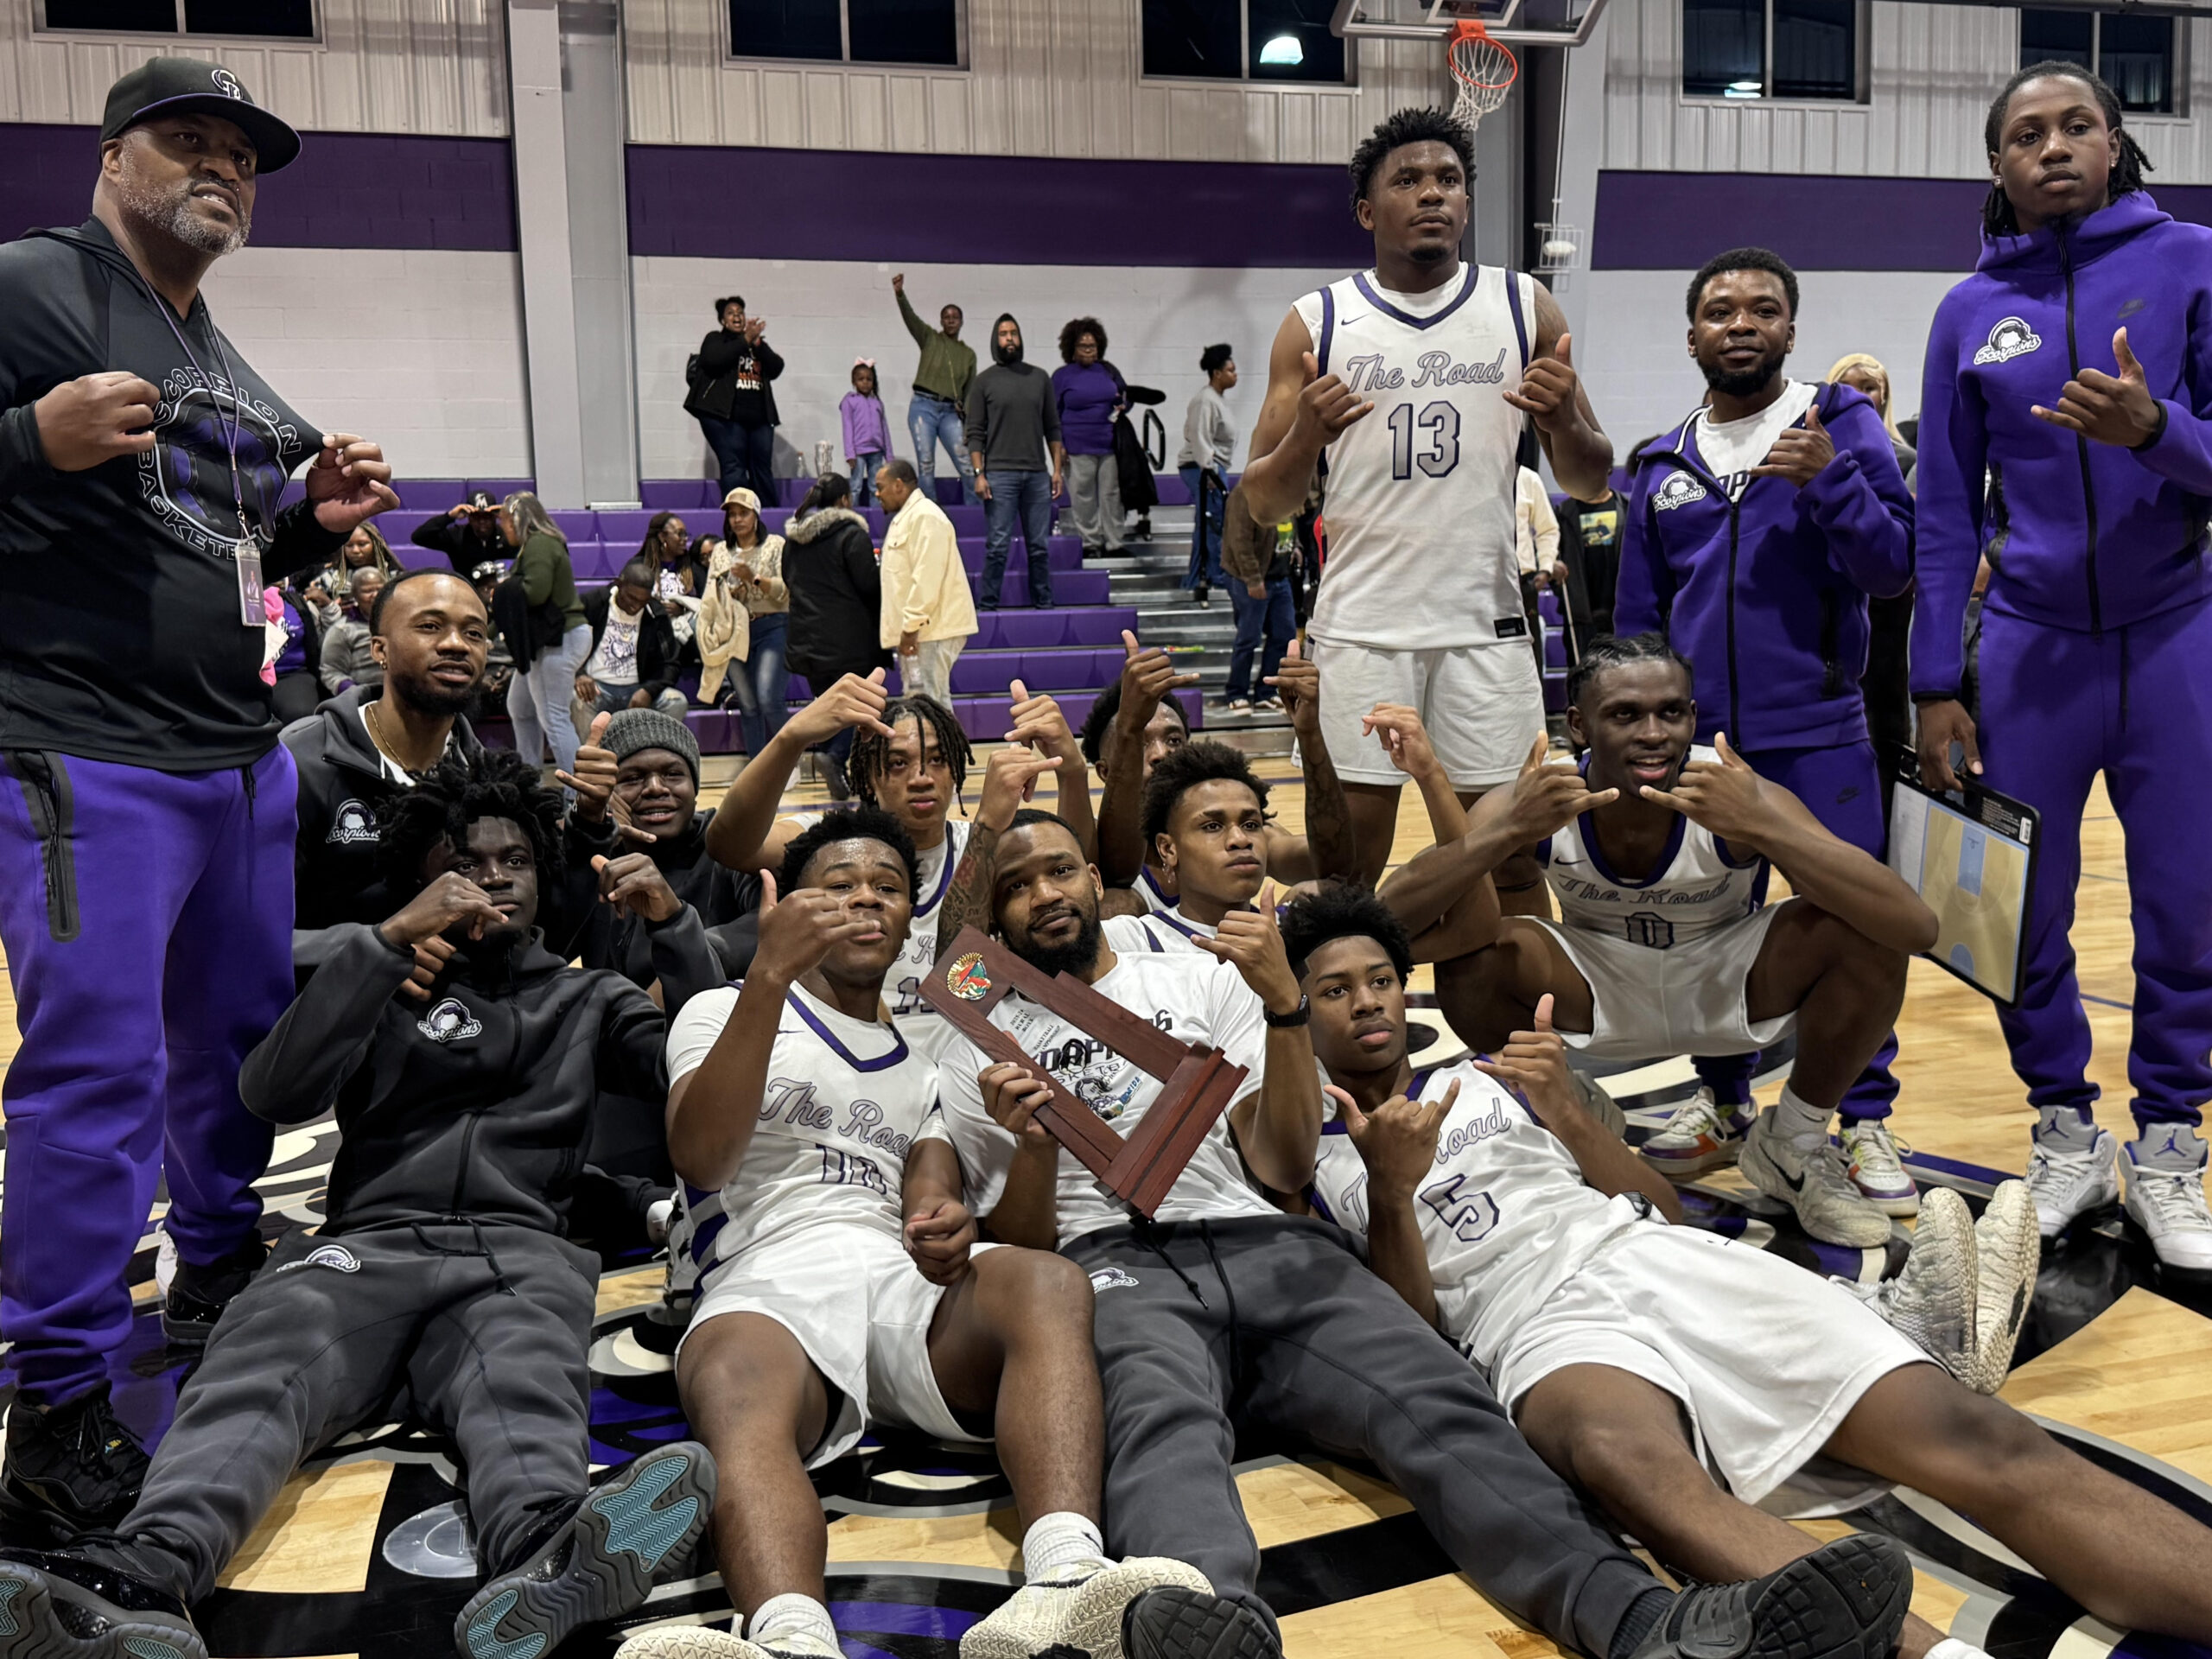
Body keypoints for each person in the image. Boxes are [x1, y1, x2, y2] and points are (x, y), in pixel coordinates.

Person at [932, 809, 1915, 1659]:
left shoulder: (1204, 980)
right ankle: (1205, 1620)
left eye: (1058, 868)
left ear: (1094, 880)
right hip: (1112, 1261)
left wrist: (1281, 1010)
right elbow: (1017, 1239)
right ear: (992, 916)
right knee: (1158, 1425)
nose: (1044, 893)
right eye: (1015, 886)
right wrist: (1032, 1147)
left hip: (1265, 1239)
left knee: (1439, 1398)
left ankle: (1639, 1623)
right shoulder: (970, 1037)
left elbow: (1278, 1167)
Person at [1285, 881, 2212, 1658]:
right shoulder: (1304, 1164)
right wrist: (1393, 1189)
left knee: (1976, 1436)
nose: (1366, 1001)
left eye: (1378, 981)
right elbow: (1410, 1338)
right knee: (1629, 1469)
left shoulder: (1490, 1079)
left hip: (1643, 1252)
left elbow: (1663, 1205)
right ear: (1294, 1014)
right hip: (1532, 1328)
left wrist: (1565, 1112)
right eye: (1333, 990)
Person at [0, 751, 721, 1659]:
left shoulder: (590, 997)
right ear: (426, 881)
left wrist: (677, 927)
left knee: (527, 1375)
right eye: (467, 862)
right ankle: (143, 1576)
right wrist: (376, 954)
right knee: (259, 1368)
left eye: (517, 860)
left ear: (546, 873)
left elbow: (702, 1080)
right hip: (364, 1248)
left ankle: (545, 1549)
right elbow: (269, 1091)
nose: (494, 876)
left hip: (517, 1249)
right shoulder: (382, 975)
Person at [0, 55, 400, 1533]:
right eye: (189, 138)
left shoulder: (215, 353)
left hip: (235, 756)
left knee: (236, 1044)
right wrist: (23, 442)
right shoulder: (28, 288)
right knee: (95, 1075)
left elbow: (210, 555)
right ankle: (52, 1409)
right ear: (111, 155)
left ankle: (217, 1275)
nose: (220, 165)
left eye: (240, 151)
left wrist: (310, 529)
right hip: (82, 747)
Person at [613, 809, 1222, 1659]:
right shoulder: (721, 1009)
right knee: (729, 1370)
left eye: (887, 888)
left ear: (910, 917)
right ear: (786, 905)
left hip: (894, 1280)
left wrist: (939, 1223)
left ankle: (1064, 1581)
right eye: (839, 887)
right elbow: (703, 1158)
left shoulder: (927, 1056)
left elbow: (929, 1184)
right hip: (765, 1277)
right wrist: (765, 977)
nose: (866, 900)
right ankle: (791, 1639)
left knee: (1046, 1280)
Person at [1914, 62, 2212, 1268]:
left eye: (2075, 126)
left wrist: (2160, 431)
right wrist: (1937, 681)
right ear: (1998, 166)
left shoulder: (2193, 261)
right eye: (2026, 134)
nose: (2052, 148)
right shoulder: (1964, 312)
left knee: (2187, 903)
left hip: (2177, 635)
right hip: (2032, 649)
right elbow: (1943, 512)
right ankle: (2062, 1130)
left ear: (2114, 143)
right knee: (2018, 909)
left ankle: (2175, 1141)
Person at [1390, 636, 1936, 1249]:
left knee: (1863, 932)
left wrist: (1760, 824)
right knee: (1478, 959)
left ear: (1694, 718)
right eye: (1625, 715)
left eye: (1671, 712)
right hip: (1599, 985)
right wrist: (1511, 829)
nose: (1653, 733)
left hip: (1728, 980)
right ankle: (1574, 1116)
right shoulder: (1541, 794)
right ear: (1579, 725)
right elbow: (1387, 925)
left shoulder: (1732, 789)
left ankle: (1795, 1143)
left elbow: (1915, 927)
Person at [1240, 107, 1613, 893]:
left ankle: (1518, 1014)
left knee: (1510, 865)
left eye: (1448, 179)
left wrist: (1566, 415)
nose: (1433, 193)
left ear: (1468, 204)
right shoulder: (1318, 322)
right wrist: (1306, 435)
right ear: (1370, 213)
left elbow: (1588, 481)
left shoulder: (1525, 307)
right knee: (1346, 872)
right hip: (1364, 629)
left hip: (1485, 626)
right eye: (1408, 180)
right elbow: (1262, 503)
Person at [1613, 249, 1916, 1211]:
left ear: (1790, 328)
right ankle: (1726, 1104)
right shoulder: (1659, 464)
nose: (1739, 322)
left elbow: (1892, 568)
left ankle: (1860, 1119)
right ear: (1692, 334)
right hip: (1701, 746)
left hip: (1819, 732)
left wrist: (1830, 481)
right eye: (1718, 310)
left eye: (1762, 309)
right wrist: (1635, 737)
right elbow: (1636, 626)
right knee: (1707, 930)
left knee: (1859, 923)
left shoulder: (1842, 426)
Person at [705, 677, 1090, 1062]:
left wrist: (1071, 769)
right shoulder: (832, 843)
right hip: (851, 1059)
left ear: (956, 770)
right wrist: (791, 738)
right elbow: (728, 845)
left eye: (937, 760)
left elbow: (1083, 872)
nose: (921, 778)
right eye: (898, 763)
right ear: (870, 775)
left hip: (970, 1062)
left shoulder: (988, 842)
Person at [285, 569, 491, 950]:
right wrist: (378, 948)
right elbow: (246, 936)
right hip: (332, 1001)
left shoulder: (489, 779)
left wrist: (589, 826)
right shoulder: (300, 763)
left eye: (474, 633)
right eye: (430, 626)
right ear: (378, 650)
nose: (456, 644)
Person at [1090, 635, 1352, 914]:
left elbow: (1333, 868)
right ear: (1105, 771)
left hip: (1239, 951)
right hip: (1150, 951)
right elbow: (1116, 870)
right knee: (1115, 905)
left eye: (1174, 740)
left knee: (1320, 895)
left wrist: (1309, 731)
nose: (1160, 754)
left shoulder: (1236, 828)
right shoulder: (1096, 843)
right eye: (1139, 744)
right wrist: (1128, 726)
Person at [783, 471, 886, 800]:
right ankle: (836, 757)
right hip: (848, 639)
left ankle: (837, 764)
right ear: (844, 500)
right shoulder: (851, 534)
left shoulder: (793, 539)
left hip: (806, 638)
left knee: (827, 704)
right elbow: (869, 584)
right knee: (860, 704)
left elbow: (787, 579)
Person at [967, 314, 1063, 611]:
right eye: (1004, 334)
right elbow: (974, 433)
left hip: (1037, 474)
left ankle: (1044, 603)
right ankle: (987, 605)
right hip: (999, 476)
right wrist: (979, 474)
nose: (1010, 338)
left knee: (1039, 547)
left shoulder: (1040, 378)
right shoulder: (983, 382)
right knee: (997, 545)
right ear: (996, 340)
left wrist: (1057, 470)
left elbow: (1053, 427)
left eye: (1014, 333)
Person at [493, 490, 591, 779]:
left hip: (559, 639)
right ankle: (530, 780)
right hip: (548, 642)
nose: (503, 529)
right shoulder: (537, 545)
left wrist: (502, 591)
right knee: (520, 707)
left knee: (555, 718)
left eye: (505, 523)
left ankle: (576, 796)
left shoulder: (539, 545)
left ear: (518, 519)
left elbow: (535, 593)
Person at [876, 457, 976, 709]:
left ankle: (946, 750)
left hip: (929, 629)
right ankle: (940, 749)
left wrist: (910, 628)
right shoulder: (910, 517)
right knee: (925, 703)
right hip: (921, 630)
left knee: (931, 706)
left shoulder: (925, 517)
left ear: (898, 485)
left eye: (880, 487)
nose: (877, 494)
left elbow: (926, 579)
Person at [707, 486, 791, 755]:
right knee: (748, 703)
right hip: (735, 630)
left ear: (756, 514)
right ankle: (758, 765)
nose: (737, 519)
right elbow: (711, 593)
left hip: (772, 624)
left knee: (769, 699)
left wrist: (753, 578)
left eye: (743, 513)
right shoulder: (721, 550)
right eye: (732, 514)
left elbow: (786, 590)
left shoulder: (775, 545)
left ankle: (788, 757)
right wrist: (727, 593)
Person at [688, 295, 784, 499]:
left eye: (740, 312)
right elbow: (713, 360)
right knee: (734, 466)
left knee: (762, 468)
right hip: (727, 418)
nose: (737, 316)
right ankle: (737, 513)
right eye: (731, 313)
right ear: (723, 320)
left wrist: (758, 343)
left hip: (759, 420)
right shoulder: (715, 339)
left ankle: (768, 516)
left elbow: (776, 368)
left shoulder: (755, 345)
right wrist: (745, 340)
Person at [892, 271, 976, 501]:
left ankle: (976, 515)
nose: (950, 320)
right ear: (941, 321)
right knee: (926, 464)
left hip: (950, 412)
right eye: (946, 316)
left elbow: (969, 393)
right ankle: (929, 515)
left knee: (967, 464)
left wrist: (968, 425)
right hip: (923, 407)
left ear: (961, 321)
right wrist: (900, 294)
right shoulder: (929, 338)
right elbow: (911, 319)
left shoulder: (969, 355)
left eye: (955, 317)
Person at [575, 558, 690, 729]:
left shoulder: (656, 614)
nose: (635, 606)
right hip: (598, 689)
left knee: (676, 702)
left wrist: (649, 691)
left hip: (638, 690)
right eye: (631, 598)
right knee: (576, 699)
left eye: (642, 602)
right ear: (619, 584)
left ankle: (651, 753)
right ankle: (591, 754)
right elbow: (564, 644)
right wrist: (579, 673)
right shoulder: (594, 603)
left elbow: (671, 664)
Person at [1216, 483, 1295, 713]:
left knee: (1284, 635)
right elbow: (1239, 540)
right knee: (1249, 638)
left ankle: (1266, 692)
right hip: (1248, 578)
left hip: (1280, 577)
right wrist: (1252, 579)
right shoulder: (1244, 493)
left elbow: (1290, 524)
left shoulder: (1288, 489)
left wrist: (1295, 547)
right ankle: (1236, 693)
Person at [1052, 317, 1127, 558]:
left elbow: (1126, 396)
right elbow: (1053, 414)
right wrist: (1059, 446)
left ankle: (1115, 542)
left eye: (1092, 346)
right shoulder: (1063, 376)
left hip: (1109, 444)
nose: (1088, 350)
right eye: (1083, 346)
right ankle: (1090, 542)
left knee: (1112, 495)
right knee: (1083, 495)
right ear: (1072, 349)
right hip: (1076, 445)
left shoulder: (1109, 370)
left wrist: (1123, 404)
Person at [1176, 344, 1236, 606]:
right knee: (1211, 523)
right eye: (1231, 370)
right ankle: (1211, 575)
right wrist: (1209, 472)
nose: (1235, 375)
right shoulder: (1206, 400)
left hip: (1212, 467)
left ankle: (1197, 577)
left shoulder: (1216, 400)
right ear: (1216, 373)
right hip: (1203, 468)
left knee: (1211, 523)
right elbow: (1201, 438)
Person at [1554, 483, 1624, 661]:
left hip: (1622, 612)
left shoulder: (1627, 507)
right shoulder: (1563, 513)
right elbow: (1549, 557)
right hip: (1580, 617)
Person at [315, 566, 385, 696]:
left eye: (379, 589)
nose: (375, 595)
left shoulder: (400, 623)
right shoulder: (342, 630)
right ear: (355, 595)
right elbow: (331, 672)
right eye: (368, 591)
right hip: (364, 696)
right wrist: (355, 693)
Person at [266, 580, 324, 721]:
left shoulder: (296, 601)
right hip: (248, 676)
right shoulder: (236, 600)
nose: (278, 579)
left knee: (300, 713)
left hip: (291, 673)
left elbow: (316, 640)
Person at [839, 358, 893, 506]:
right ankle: (852, 517)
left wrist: (889, 455)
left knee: (875, 486)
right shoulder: (849, 401)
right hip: (858, 452)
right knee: (855, 486)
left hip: (876, 451)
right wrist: (850, 453)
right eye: (861, 379)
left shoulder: (877, 402)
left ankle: (875, 516)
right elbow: (847, 428)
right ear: (854, 381)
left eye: (869, 379)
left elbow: (885, 430)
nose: (865, 382)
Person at [410, 488, 502, 570]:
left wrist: (508, 517)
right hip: (464, 587)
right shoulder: (457, 536)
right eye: (476, 516)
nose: (482, 521)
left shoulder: (507, 535)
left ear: (495, 516)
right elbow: (418, 537)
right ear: (469, 517)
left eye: (487, 516)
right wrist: (449, 517)